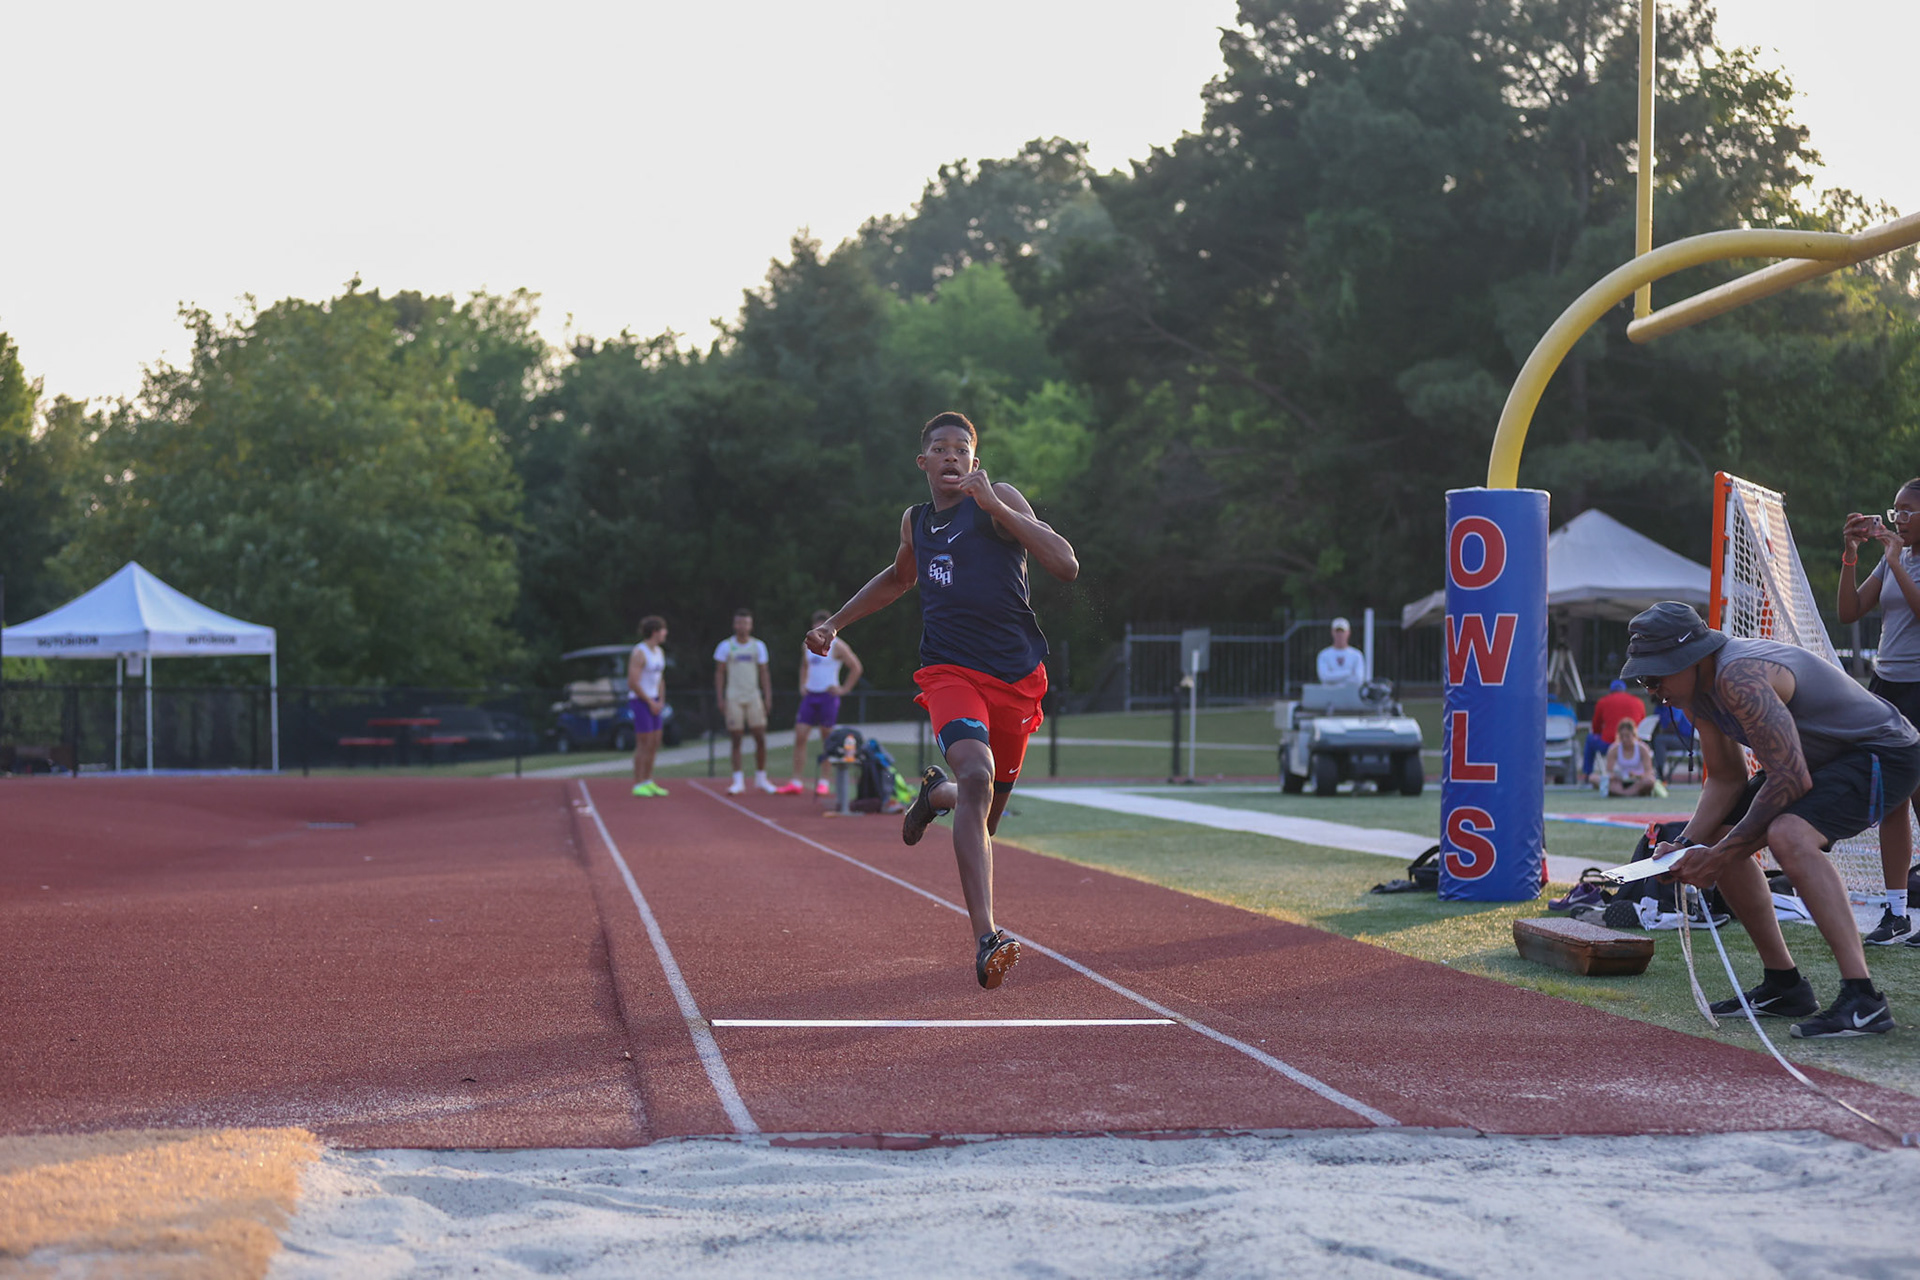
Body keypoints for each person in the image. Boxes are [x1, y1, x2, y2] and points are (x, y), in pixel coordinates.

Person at [807, 411, 1078, 990]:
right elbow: (898, 579)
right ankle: (987, 938)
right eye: (941, 448)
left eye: (962, 449)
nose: (952, 456)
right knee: (978, 777)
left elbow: (1065, 564)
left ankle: (937, 794)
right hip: (949, 671)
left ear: (975, 462)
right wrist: (835, 623)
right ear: (923, 462)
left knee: (986, 813)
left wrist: (999, 508)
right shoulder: (917, 523)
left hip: (1016, 678)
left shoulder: (998, 499)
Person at [1624, 601, 1920, 1037]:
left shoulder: (1739, 677)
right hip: (1820, 762)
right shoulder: (1698, 694)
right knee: (1721, 836)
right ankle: (1785, 986)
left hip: (1883, 752)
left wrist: (1719, 856)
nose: (1651, 689)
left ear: (1688, 658)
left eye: (1655, 675)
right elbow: (1725, 780)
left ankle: (1864, 999)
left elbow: (1792, 779)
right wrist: (1687, 846)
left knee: (1789, 835)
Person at [1836, 479, 1920, 946]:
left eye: (1907, 511)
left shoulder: (1900, 561)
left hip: (1919, 688)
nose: (1897, 519)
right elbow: (1849, 611)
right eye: (1895, 511)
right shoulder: (1894, 559)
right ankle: (1896, 911)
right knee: (1891, 799)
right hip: (1886, 686)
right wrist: (1851, 554)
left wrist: (1893, 562)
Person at [778, 610, 864, 796]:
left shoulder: (838, 646)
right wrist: (802, 684)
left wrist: (844, 689)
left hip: (828, 696)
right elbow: (805, 665)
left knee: (827, 739)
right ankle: (796, 780)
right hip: (811, 696)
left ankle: (824, 781)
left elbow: (856, 667)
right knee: (800, 735)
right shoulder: (806, 645)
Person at [714, 608, 776, 795]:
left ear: (751, 625)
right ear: (735, 625)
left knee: (760, 737)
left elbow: (764, 672)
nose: (743, 626)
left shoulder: (758, 646)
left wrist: (767, 696)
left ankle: (761, 777)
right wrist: (720, 698)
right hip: (734, 696)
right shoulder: (726, 646)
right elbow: (719, 673)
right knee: (736, 738)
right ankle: (738, 780)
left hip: (753, 696)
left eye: (746, 623)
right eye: (739, 623)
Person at [626, 615, 670, 797]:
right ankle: (638, 783)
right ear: (654, 632)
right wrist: (649, 702)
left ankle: (648, 780)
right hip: (640, 701)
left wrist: (660, 700)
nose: (665, 633)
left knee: (655, 741)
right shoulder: (639, 652)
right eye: (663, 630)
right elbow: (632, 682)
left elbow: (660, 679)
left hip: (654, 701)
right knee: (643, 743)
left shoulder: (659, 652)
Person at [1583, 679, 1647, 783]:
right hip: (1633, 745)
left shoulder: (1603, 701)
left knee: (1590, 739)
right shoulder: (1638, 702)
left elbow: (1596, 728)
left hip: (1608, 743)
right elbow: (1642, 724)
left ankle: (1587, 773)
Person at [1603, 718, 1656, 797]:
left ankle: (1624, 793)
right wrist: (1616, 776)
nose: (1624, 739)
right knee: (1595, 778)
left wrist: (1637, 775)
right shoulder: (1614, 749)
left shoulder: (1642, 749)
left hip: (1639, 780)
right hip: (1621, 781)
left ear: (1633, 735)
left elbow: (1649, 771)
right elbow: (1609, 772)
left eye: (1627, 736)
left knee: (1650, 781)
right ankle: (1630, 793)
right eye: (1622, 736)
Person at [1316, 618, 1366, 686]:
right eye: (1337, 631)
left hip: (1350, 694)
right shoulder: (1324, 654)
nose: (1340, 634)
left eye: (1342, 631)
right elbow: (1324, 677)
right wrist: (1348, 673)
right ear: (1332, 632)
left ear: (1348, 632)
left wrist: (1333, 677)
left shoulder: (1356, 655)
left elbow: (1358, 679)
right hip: (1329, 694)